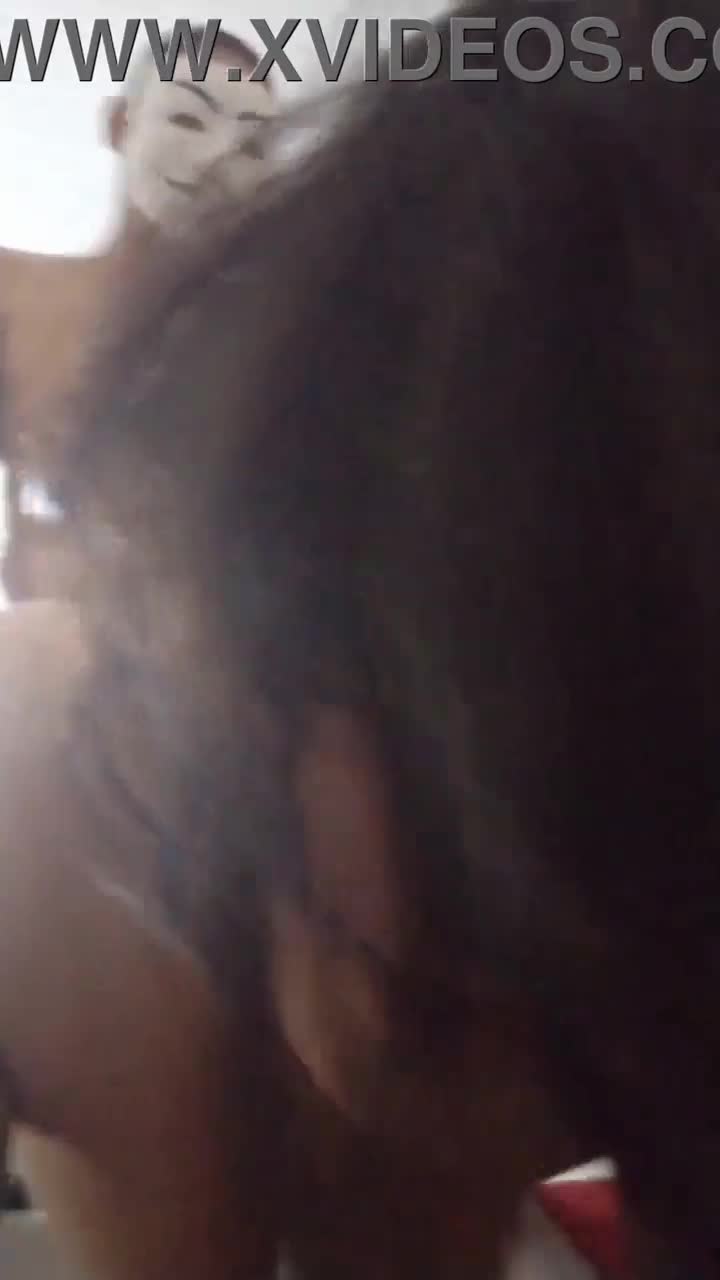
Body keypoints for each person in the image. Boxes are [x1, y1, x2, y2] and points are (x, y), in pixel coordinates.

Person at [0, 25, 276, 605]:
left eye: (253, 147)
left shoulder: (266, 354)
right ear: (120, 125)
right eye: (188, 119)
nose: (220, 156)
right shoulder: (15, 292)